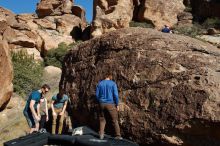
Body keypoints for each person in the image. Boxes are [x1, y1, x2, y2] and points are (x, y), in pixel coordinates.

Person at [96, 73, 122, 139]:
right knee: (114, 120)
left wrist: (100, 101)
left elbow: (97, 95)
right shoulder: (113, 83)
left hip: (101, 103)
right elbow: (115, 95)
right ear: (110, 77)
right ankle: (118, 135)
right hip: (110, 103)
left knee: (102, 119)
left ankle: (101, 135)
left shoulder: (100, 83)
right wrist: (117, 104)